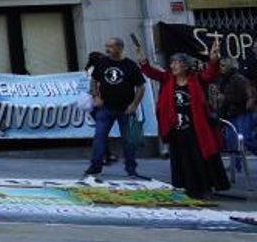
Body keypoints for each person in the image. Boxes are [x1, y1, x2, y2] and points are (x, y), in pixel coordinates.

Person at [136, 41, 230, 199]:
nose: (173, 65)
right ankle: (187, 187)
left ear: (186, 66)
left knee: (199, 157)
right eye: (172, 62)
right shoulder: (167, 80)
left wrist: (213, 60)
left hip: (196, 127)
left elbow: (210, 73)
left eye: (177, 62)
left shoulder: (197, 80)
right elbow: (151, 72)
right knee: (182, 158)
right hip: (177, 127)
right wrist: (142, 59)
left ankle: (204, 187)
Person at [83, 37, 147, 179]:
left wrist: (134, 105)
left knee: (129, 141)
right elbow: (94, 80)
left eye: (110, 46)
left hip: (125, 109)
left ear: (119, 47)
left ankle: (131, 169)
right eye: (107, 46)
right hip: (105, 108)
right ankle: (95, 167)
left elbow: (141, 87)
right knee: (99, 137)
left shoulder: (130, 65)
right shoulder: (102, 63)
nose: (107, 49)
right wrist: (96, 96)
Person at [212, 57, 254, 156]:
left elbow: (242, 98)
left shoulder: (239, 79)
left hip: (241, 113)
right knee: (231, 142)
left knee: (246, 139)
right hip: (230, 114)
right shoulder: (223, 80)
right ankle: (235, 166)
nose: (221, 68)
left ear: (230, 66)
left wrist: (224, 97)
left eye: (223, 65)